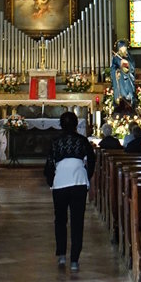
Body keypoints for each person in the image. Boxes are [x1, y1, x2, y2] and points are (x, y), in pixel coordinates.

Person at [44, 111, 95, 271]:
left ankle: (61, 256)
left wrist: (51, 181)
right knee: (77, 220)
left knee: (60, 220)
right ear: (75, 125)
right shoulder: (82, 140)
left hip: (60, 183)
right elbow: (92, 160)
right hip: (78, 182)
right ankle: (74, 259)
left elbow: (49, 165)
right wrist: (87, 176)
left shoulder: (55, 141)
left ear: (61, 124)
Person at [110, 39, 136, 106]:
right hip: (120, 79)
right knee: (120, 92)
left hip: (128, 78)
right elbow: (113, 67)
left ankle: (130, 101)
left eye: (124, 48)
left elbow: (132, 65)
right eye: (121, 48)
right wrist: (116, 71)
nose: (122, 50)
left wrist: (127, 64)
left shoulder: (129, 56)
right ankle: (119, 103)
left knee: (129, 90)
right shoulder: (116, 58)